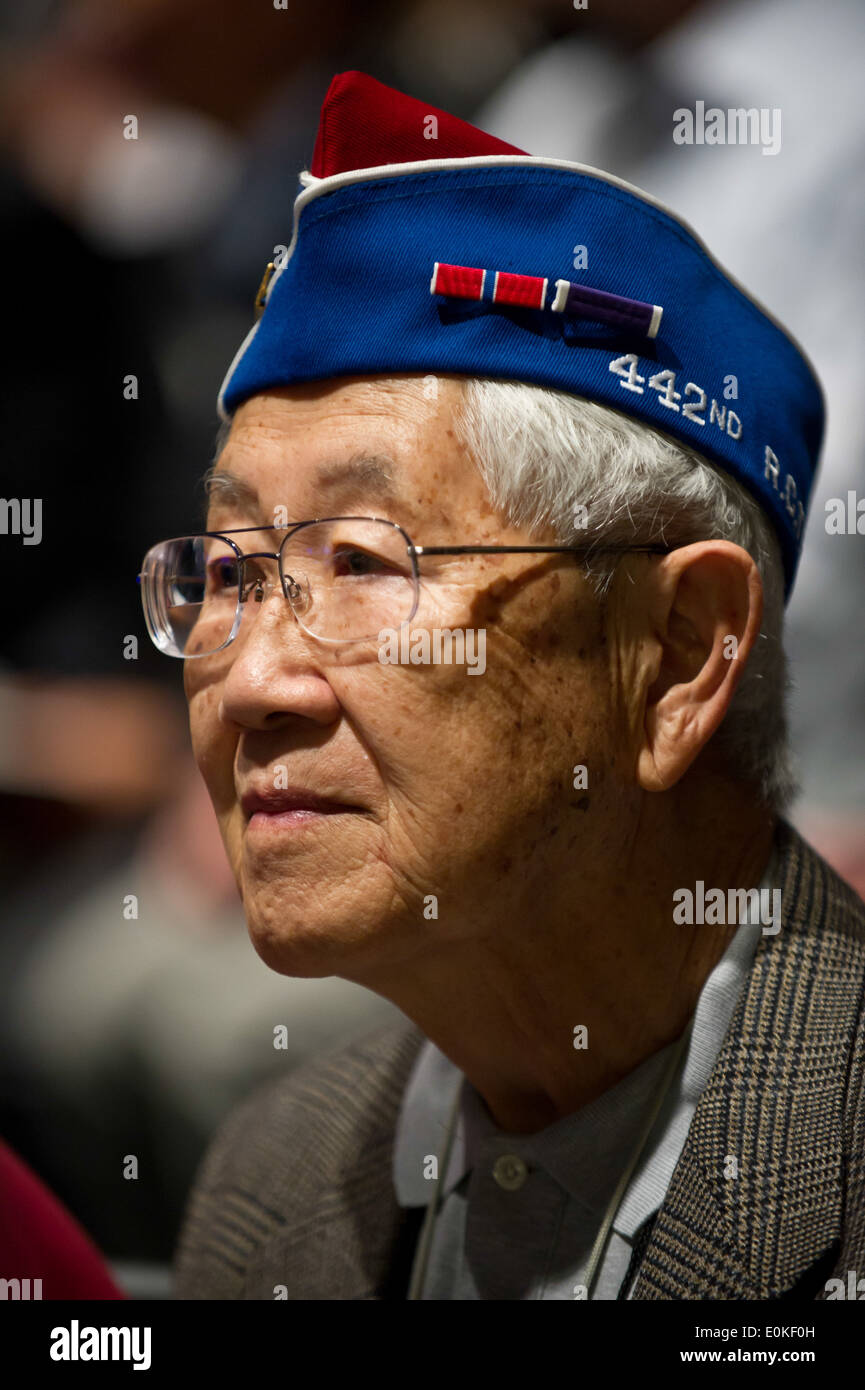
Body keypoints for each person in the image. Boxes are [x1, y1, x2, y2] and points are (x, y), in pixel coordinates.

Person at [140, 72, 863, 1299]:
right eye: (226, 570)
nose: (253, 680)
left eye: (362, 562)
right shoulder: (274, 1177)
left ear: (679, 653)